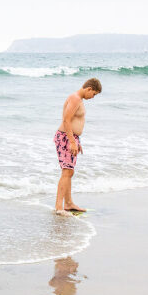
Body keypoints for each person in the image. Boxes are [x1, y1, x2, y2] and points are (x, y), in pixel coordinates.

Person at [54, 78, 102, 215]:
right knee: (67, 171)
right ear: (89, 89)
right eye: (94, 94)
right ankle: (59, 207)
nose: (93, 97)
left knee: (69, 171)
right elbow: (66, 120)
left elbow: (74, 121)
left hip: (70, 137)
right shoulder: (75, 98)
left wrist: (76, 140)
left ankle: (68, 204)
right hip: (65, 137)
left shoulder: (78, 99)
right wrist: (72, 141)